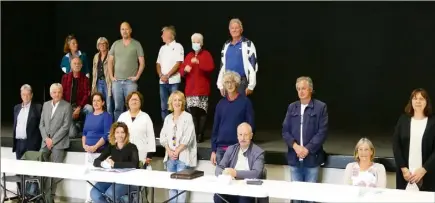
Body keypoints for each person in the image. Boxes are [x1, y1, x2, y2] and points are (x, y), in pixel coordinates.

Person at [282, 76, 328, 203]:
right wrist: (296, 147)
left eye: (304, 88)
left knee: (310, 198)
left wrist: (307, 149)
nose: (301, 91)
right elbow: (285, 131)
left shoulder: (320, 107)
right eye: (298, 89)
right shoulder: (292, 107)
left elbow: (322, 132)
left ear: (310, 90)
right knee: (296, 197)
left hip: (312, 159)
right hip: (294, 158)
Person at [393, 88, 435, 192]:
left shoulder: (433, 123)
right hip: (405, 175)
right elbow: (396, 145)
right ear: (411, 102)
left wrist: (424, 170)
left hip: (427, 174)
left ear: (427, 102)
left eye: (421, 99)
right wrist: (403, 169)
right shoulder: (403, 120)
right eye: (415, 99)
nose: (418, 102)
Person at [160, 91, 197, 203]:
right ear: (171, 102)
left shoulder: (188, 117)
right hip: (170, 158)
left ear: (183, 102)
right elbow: (163, 136)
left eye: (179, 100)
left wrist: (177, 151)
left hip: (183, 158)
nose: (177, 102)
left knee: (181, 190)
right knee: (172, 188)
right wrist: (169, 151)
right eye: (175, 100)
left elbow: (188, 137)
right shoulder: (167, 118)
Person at [211, 71, 254, 166]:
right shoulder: (220, 104)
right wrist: (213, 150)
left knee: (238, 179)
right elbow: (215, 128)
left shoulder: (245, 102)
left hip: (238, 149)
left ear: (237, 83)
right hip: (221, 150)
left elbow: (250, 126)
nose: (230, 85)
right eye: (227, 82)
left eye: (232, 82)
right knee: (221, 179)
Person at [214, 123, 264, 203]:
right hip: (231, 187)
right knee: (218, 196)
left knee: (244, 199)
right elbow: (218, 168)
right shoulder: (231, 149)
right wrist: (224, 172)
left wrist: (235, 173)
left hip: (248, 189)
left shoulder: (258, 152)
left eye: (245, 135)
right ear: (237, 136)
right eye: (240, 135)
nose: (242, 138)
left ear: (251, 136)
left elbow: (257, 173)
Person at [90, 122, 139, 203]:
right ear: (114, 134)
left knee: (110, 194)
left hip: (127, 180)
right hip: (112, 178)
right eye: (117, 132)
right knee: (94, 193)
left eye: (123, 132)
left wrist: (114, 164)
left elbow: (134, 164)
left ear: (126, 134)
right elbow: (96, 161)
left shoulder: (132, 147)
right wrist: (103, 164)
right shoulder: (111, 147)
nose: (120, 135)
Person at [39, 83, 72, 203]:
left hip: (59, 143)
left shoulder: (67, 106)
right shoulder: (46, 105)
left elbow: (65, 127)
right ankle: (43, 195)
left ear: (62, 93)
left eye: (59, 92)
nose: (57, 94)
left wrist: (53, 140)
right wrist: (46, 139)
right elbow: (41, 124)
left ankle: (49, 198)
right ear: (50, 93)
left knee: (55, 172)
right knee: (38, 166)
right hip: (45, 143)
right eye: (54, 92)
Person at [179, 33, 215, 143]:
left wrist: (199, 62)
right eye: (194, 42)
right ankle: (194, 134)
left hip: (202, 89)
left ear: (202, 43)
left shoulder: (206, 54)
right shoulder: (189, 55)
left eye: (198, 42)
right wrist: (185, 70)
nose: (196, 44)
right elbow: (182, 71)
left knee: (202, 112)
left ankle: (201, 134)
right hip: (190, 90)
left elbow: (210, 68)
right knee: (193, 114)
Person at [108, 22, 145, 121]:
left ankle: (132, 129)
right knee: (117, 108)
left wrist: (137, 77)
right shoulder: (116, 44)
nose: (124, 31)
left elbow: (142, 63)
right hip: (117, 82)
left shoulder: (136, 44)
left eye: (126, 29)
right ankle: (118, 130)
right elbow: (110, 61)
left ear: (130, 30)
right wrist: (111, 77)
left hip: (130, 82)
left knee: (132, 107)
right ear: (120, 31)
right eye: (122, 29)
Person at [82, 92, 113, 203]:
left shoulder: (106, 116)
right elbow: (84, 133)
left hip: (100, 152)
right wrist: (84, 146)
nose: (95, 103)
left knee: (98, 179)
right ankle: (88, 199)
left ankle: (96, 200)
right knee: (88, 177)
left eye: (98, 100)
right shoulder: (89, 116)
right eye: (94, 100)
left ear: (103, 102)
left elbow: (106, 135)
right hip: (88, 152)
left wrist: (95, 146)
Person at [217, 18, 258, 96]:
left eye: (236, 28)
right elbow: (222, 65)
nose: (234, 30)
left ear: (241, 29)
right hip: (227, 82)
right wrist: (220, 85)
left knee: (239, 106)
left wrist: (251, 85)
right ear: (229, 30)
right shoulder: (226, 45)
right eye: (232, 28)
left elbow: (253, 65)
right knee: (228, 106)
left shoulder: (248, 44)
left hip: (241, 82)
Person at [118, 91, 156, 164]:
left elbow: (151, 137)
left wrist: (149, 155)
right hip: (124, 154)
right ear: (128, 102)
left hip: (141, 155)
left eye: (136, 100)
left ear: (140, 102)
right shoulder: (122, 117)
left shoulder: (146, 117)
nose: (134, 101)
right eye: (132, 99)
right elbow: (116, 135)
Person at [156, 25, 184, 121]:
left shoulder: (178, 46)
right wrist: (161, 75)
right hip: (162, 82)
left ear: (170, 35)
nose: (161, 36)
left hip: (174, 81)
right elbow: (158, 63)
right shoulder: (162, 48)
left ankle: (176, 125)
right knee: (164, 107)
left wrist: (167, 75)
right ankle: (166, 127)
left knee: (175, 105)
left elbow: (178, 63)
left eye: (163, 34)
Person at [61, 57, 93, 138]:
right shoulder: (65, 77)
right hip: (68, 107)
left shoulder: (85, 79)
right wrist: (68, 108)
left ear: (81, 65)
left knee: (89, 108)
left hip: (81, 107)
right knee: (72, 134)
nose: (77, 65)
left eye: (79, 64)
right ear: (71, 66)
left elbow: (86, 95)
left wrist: (79, 107)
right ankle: (78, 127)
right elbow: (62, 94)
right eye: (74, 64)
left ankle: (87, 132)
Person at [13, 84, 42, 160]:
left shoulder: (38, 108)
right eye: (23, 94)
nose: (25, 97)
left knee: (30, 169)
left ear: (31, 95)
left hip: (31, 144)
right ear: (21, 95)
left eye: (28, 94)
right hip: (19, 143)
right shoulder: (16, 108)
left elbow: (41, 126)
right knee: (19, 169)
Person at [92, 37, 113, 116]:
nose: (102, 45)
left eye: (104, 44)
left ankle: (111, 126)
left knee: (109, 105)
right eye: (100, 44)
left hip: (108, 82)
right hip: (98, 82)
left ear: (107, 45)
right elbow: (94, 71)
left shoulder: (111, 54)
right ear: (98, 46)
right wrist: (94, 84)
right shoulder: (96, 56)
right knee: (100, 104)